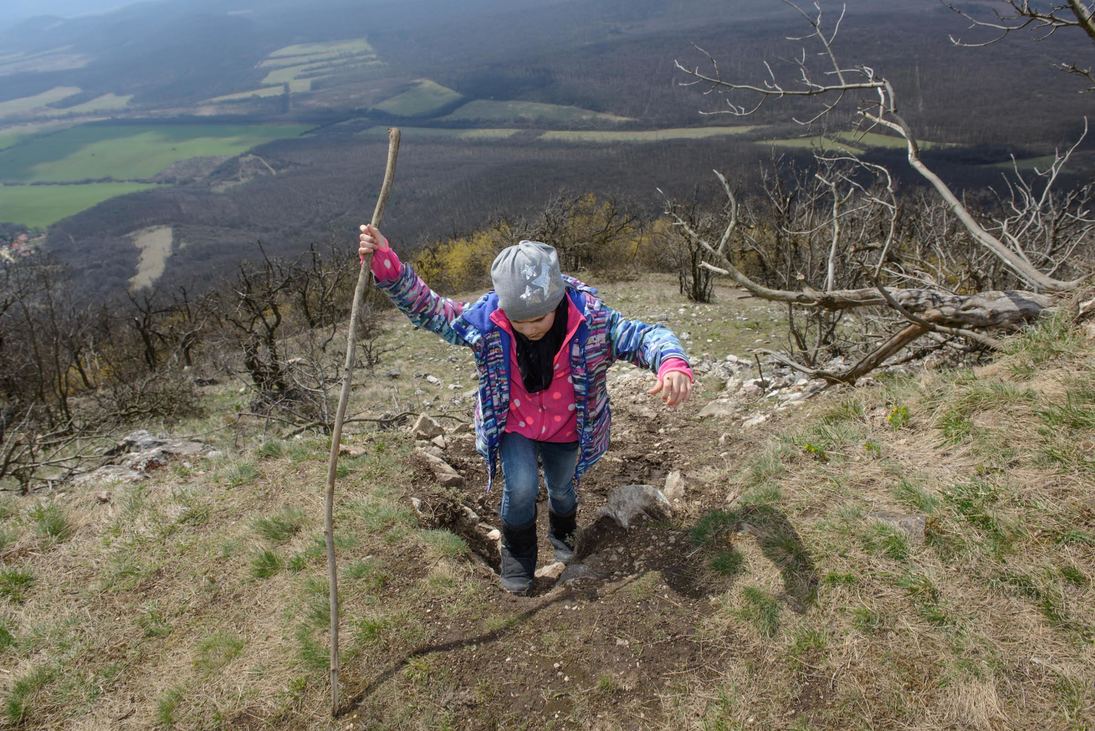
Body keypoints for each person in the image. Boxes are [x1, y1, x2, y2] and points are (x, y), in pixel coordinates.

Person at [358, 224, 693, 594]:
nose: (530, 328)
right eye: (519, 320)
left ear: (557, 300)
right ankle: (517, 557)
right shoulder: (487, 323)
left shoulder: (592, 320)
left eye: (539, 318)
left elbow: (644, 335)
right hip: (514, 425)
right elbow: (432, 311)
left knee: (562, 488)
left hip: (567, 428)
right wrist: (387, 265)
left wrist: (671, 362)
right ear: (503, 309)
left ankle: (564, 532)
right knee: (520, 488)